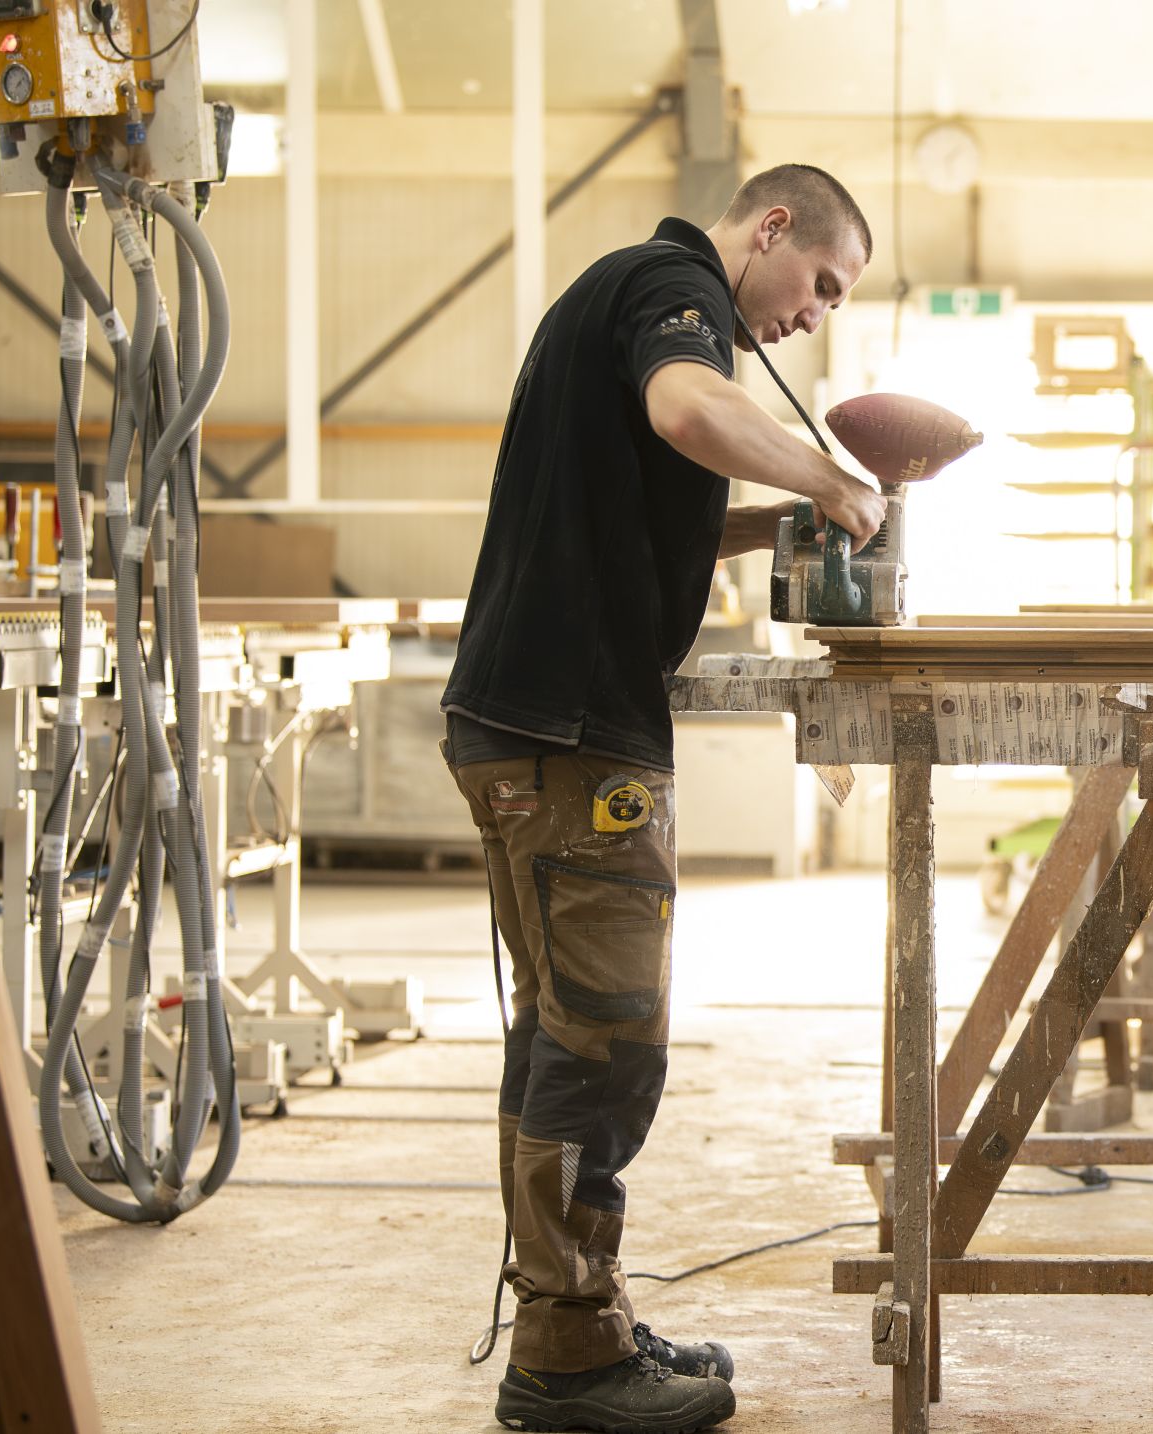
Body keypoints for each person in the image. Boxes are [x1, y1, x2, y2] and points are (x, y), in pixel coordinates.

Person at [440, 163, 883, 1434]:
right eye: (820, 285)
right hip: (567, 734)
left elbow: (654, 489)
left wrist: (766, 528)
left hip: (538, 723)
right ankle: (569, 1366)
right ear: (771, 228)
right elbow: (688, 413)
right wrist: (822, 477)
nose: (816, 315)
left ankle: (581, 1316)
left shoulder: (632, 296)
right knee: (605, 1042)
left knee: (566, 1034)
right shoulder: (673, 289)